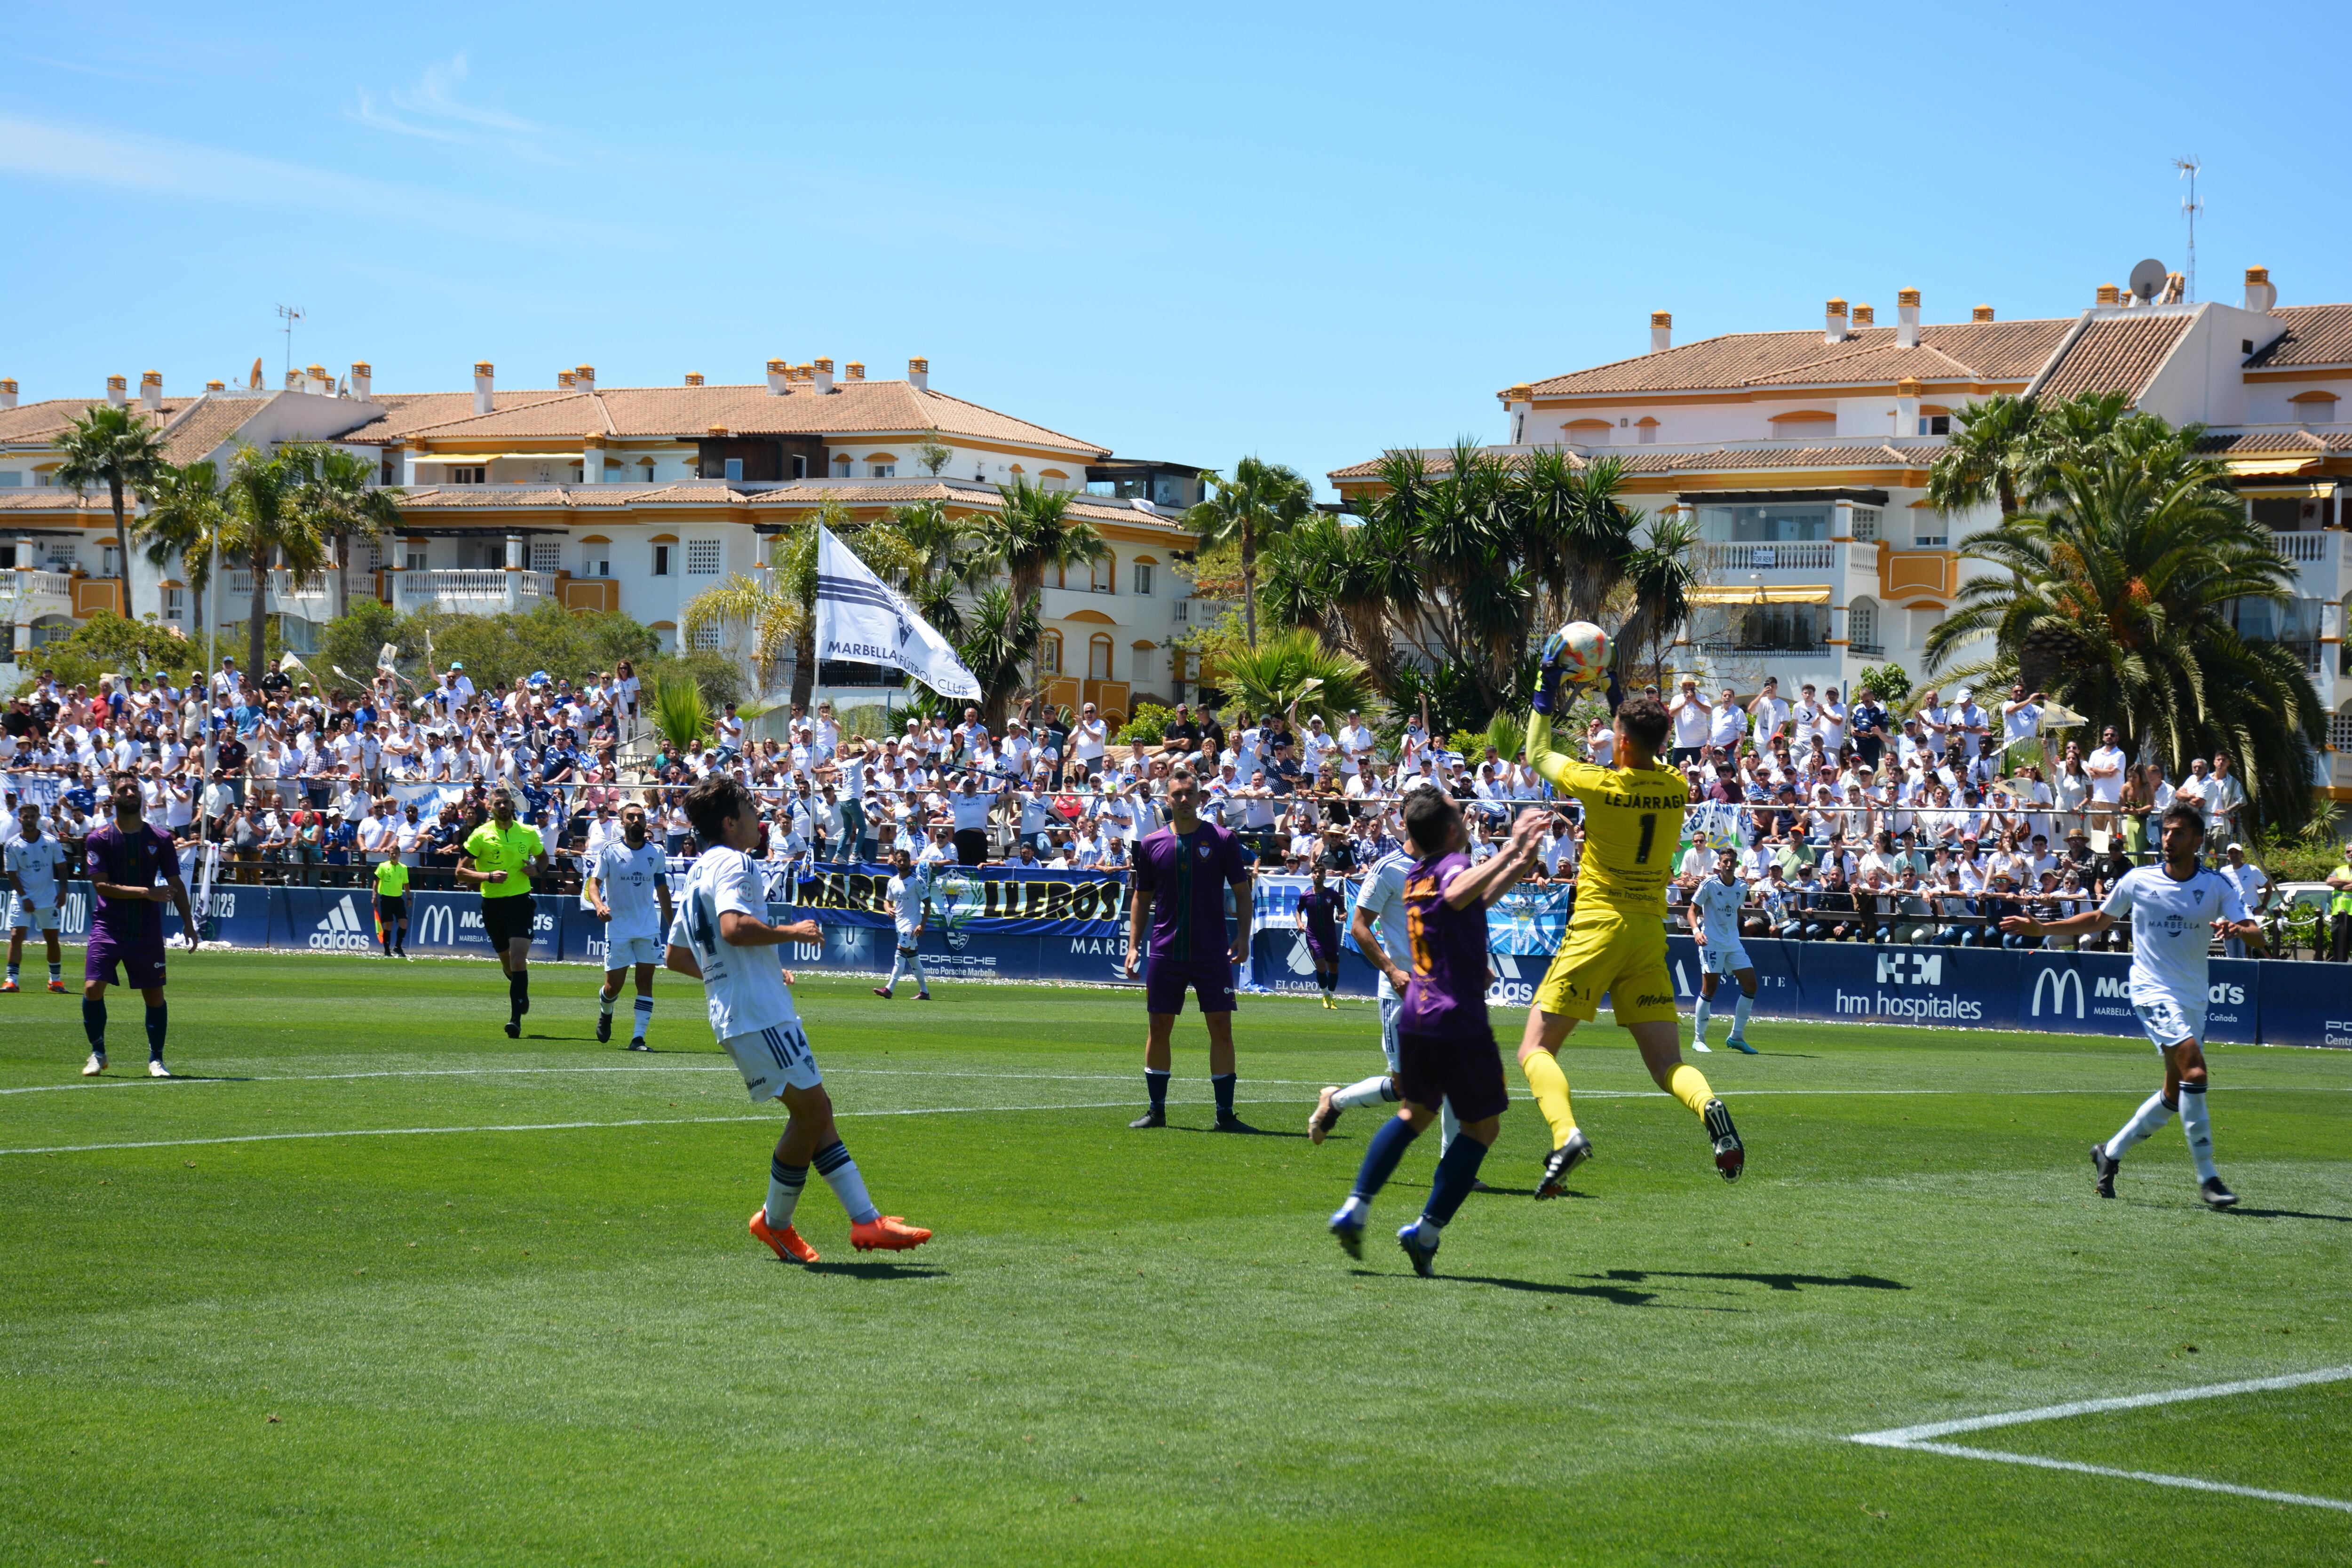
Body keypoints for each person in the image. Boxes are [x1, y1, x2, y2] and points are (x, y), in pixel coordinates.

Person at [665, 775, 930, 1262]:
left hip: (738, 1010)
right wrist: (794, 930)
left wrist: (739, 972)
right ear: (729, 822)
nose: (756, 816)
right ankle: (778, 1222)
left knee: (816, 1113)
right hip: (758, 1013)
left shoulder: (697, 871)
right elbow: (734, 926)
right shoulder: (734, 861)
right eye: (748, 806)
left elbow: (677, 957)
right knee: (810, 1114)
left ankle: (864, 1219)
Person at [1520, 663, 1745, 1197]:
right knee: (1668, 1063)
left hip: (1598, 926)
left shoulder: (1597, 782)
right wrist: (1619, 699)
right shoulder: (1675, 783)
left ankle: (1565, 1134)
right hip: (1648, 932)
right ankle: (1709, 1105)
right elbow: (1646, 744)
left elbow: (1534, 754)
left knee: (1535, 1049)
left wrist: (1543, 691)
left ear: (1617, 742)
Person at [2001, 802, 2258, 1210]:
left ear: (2197, 839)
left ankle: (2110, 1152)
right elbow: (2100, 919)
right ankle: (2208, 1177)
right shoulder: (2139, 879)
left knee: (2175, 1093)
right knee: (2195, 1068)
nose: (2168, 838)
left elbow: (2255, 933)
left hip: (2193, 995)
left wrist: (2238, 927)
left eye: (2177, 832)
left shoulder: (2217, 885)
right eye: (2165, 831)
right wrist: (2043, 928)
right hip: (2150, 989)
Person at [1327, 794, 1541, 1275]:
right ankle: (1425, 1232)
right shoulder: (1449, 871)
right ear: (1449, 832)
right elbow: (1460, 890)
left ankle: (1356, 1207)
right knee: (1481, 1129)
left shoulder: (1417, 875)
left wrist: (1519, 862)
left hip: (1418, 1013)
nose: (1466, 821)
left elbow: (1472, 899)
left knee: (1413, 1113)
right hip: (1455, 1017)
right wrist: (1512, 848)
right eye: (1459, 816)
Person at [1123, 766, 1255, 1131]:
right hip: (1166, 950)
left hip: (1212, 951)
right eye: (1177, 794)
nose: (1183, 799)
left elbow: (1243, 894)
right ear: (1167, 800)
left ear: (1200, 798)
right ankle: (1156, 1110)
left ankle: (1225, 1115)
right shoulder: (1151, 844)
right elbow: (1141, 897)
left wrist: (1244, 936)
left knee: (1221, 1027)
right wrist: (1134, 945)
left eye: (1189, 793)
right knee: (1159, 1026)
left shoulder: (1223, 839)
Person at [79, 773, 197, 1078]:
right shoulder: (99, 838)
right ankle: (98, 1052)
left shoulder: (160, 839)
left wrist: (188, 922)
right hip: (108, 925)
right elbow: (102, 886)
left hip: (146, 929)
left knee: (154, 996)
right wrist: (147, 892)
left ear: (142, 797)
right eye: (123, 789)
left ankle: (156, 1059)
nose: (130, 792)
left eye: (134, 788)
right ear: (113, 797)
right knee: (92, 988)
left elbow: (176, 884)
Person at [454, 790, 550, 1038]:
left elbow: (543, 858)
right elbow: (460, 872)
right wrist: (488, 876)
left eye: (506, 803)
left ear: (512, 805)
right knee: (509, 966)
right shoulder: (480, 835)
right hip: (493, 905)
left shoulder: (527, 832)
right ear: (491, 808)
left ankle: (515, 1020)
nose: (503, 807)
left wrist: (536, 869)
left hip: (521, 902)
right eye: (498, 804)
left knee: (519, 959)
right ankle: (521, 992)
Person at [586, 802, 674, 1049]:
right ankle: (606, 1011)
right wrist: (599, 905)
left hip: (648, 927)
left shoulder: (656, 852)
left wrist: (672, 925)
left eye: (641, 817)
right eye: (631, 817)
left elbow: (663, 889)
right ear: (622, 822)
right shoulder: (610, 850)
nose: (637, 821)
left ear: (646, 822)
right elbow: (594, 884)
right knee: (613, 987)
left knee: (645, 983)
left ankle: (638, 1038)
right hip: (619, 927)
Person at [1688, 849, 1760, 1055]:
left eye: (1732, 862)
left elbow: (1737, 911)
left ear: (1737, 864)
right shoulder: (1710, 884)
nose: (1729, 865)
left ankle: (1736, 1037)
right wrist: (1696, 931)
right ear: (1720, 864)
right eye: (1725, 862)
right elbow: (1692, 910)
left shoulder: (1742, 887)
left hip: (1733, 944)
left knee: (1751, 985)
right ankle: (1698, 1039)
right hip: (1711, 942)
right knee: (1710, 990)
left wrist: (1735, 933)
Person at [5, 801, 68, 993]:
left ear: (38, 818)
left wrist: (64, 890)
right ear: (20, 819)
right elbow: (12, 874)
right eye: (26, 817)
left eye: (33, 816)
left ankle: (55, 981)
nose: (30, 820)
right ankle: (11, 981)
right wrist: (24, 898)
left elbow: (62, 867)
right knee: (16, 936)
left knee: (52, 939)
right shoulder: (12, 844)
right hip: (22, 898)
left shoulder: (50, 841)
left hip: (48, 898)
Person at [873, 847, 932, 1002]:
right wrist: (888, 909)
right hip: (900, 923)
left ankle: (889, 989)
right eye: (899, 861)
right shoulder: (892, 882)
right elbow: (887, 901)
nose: (902, 863)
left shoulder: (917, 881)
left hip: (912, 923)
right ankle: (924, 992)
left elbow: (927, 903)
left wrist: (923, 925)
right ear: (896, 863)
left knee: (900, 955)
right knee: (913, 957)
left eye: (905, 860)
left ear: (910, 863)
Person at [1296, 860, 1344, 1009]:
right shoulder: (1306, 896)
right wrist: (1299, 923)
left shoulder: (1332, 895)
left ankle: (1330, 995)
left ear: (1324, 876)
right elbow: (1298, 911)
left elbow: (1343, 910)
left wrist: (1344, 915)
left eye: (1320, 873)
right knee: (1322, 967)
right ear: (1312, 876)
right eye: (1315, 873)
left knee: (1334, 969)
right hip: (1313, 936)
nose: (1318, 875)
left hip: (1330, 937)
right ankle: (1326, 996)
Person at [2216, 843, 2270, 961]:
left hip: (2246, 917)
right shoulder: (2224, 871)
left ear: (2242, 855)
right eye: (2231, 853)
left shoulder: (2252, 870)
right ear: (2228, 856)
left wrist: (2263, 907)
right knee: (2231, 954)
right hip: (2228, 916)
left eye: (2237, 853)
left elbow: (2268, 887)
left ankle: (2245, 977)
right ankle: (2231, 979)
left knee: (2245, 953)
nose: (2234, 855)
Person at [372, 840, 411, 959]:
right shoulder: (383, 866)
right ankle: (387, 951)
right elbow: (376, 881)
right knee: (388, 925)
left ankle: (398, 947)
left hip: (398, 899)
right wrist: (374, 895)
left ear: (400, 855)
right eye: (392, 853)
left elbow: (406, 884)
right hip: (386, 899)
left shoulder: (403, 868)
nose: (394, 855)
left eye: (396, 853)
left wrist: (409, 898)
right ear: (389, 855)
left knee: (404, 923)